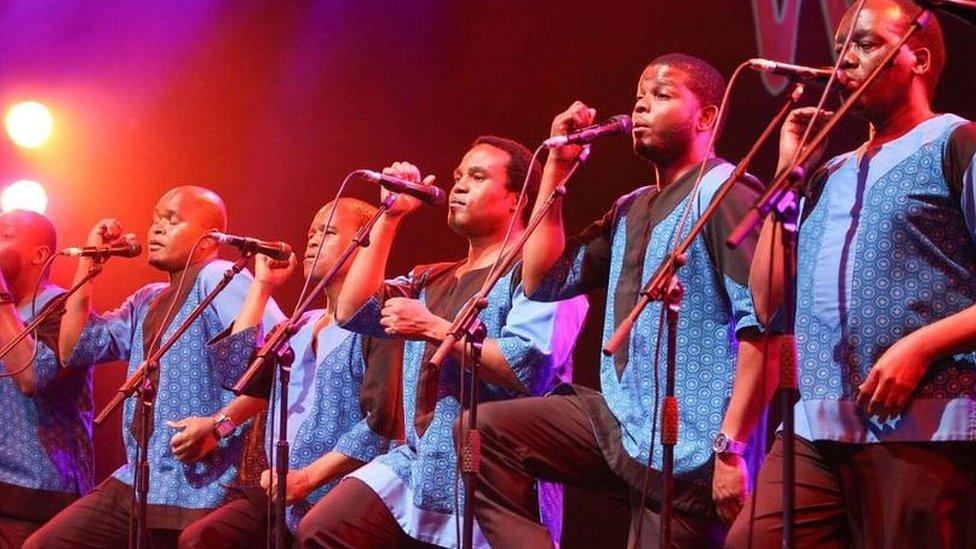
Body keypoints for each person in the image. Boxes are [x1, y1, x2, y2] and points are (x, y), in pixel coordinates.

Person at [466, 54, 771, 548]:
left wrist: (731, 449)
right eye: (639, 98)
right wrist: (556, 172)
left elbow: (763, 329)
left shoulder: (727, 193)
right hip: (625, 423)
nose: (642, 106)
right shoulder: (631, 207)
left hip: (691, 452)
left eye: (662, 95)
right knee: (485, 433)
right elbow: (542, 282)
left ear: (707, 117)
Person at [727, 1, 975, 547]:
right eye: (840, 48)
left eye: (863, 44)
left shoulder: (957, 143)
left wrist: (921, 347)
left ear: (918, 57)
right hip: (815, 429)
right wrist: (788, 175)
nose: (845, 60)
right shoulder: (828, 172)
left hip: (921, 426)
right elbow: (768, 304)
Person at [295, 136, 588, 548]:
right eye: (458, 176)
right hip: (420, 465)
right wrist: (390, 218)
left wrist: (434, 327)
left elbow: (529, 368)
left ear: (517, 199)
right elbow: (353, 309)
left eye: (478, 176)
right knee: (324, 528)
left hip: (496, 476)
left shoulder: (546, 275)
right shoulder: (430, 278)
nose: (460, 185)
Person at [25, 186, 283, 548]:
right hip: (142, 478)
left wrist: (220, 424)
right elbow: (74, 348)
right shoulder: (148, 297)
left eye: (171, 220)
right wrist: (88, 266)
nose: (156, 229)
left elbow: (277, 358)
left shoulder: (219, 276)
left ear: (209, 239)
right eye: (155, 219)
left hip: (203, 482)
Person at [177, 198, 390, 547]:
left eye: (328, 231)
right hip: (281, 487)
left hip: (338, 490)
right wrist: (262, 287)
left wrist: (309, 477)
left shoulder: (376, 326)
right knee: (202, 538)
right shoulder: (300, 324)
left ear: (364, 242)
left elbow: (380, 426)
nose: (313, 240)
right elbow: (235, 373)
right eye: (312, 232)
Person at [0, 210, 93, 547]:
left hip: (40, 498)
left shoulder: (65, 311)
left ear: (39, 254)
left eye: (4, 235)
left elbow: (32, 379)